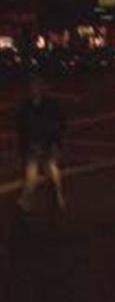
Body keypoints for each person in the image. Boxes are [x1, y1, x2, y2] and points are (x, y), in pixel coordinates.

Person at [15, 74, 67, 212]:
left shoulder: (51, 105)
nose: (34, 89)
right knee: (31, 175)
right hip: (32, 145)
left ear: (43, 88)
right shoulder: (25, 106)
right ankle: (26, 200)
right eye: (32, 87)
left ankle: (57, 195)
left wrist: (55, 143)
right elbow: (21, 129)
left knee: (52, 171)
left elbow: (60, 125)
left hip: (47, 143)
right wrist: (25, 147)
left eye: (37, 86)